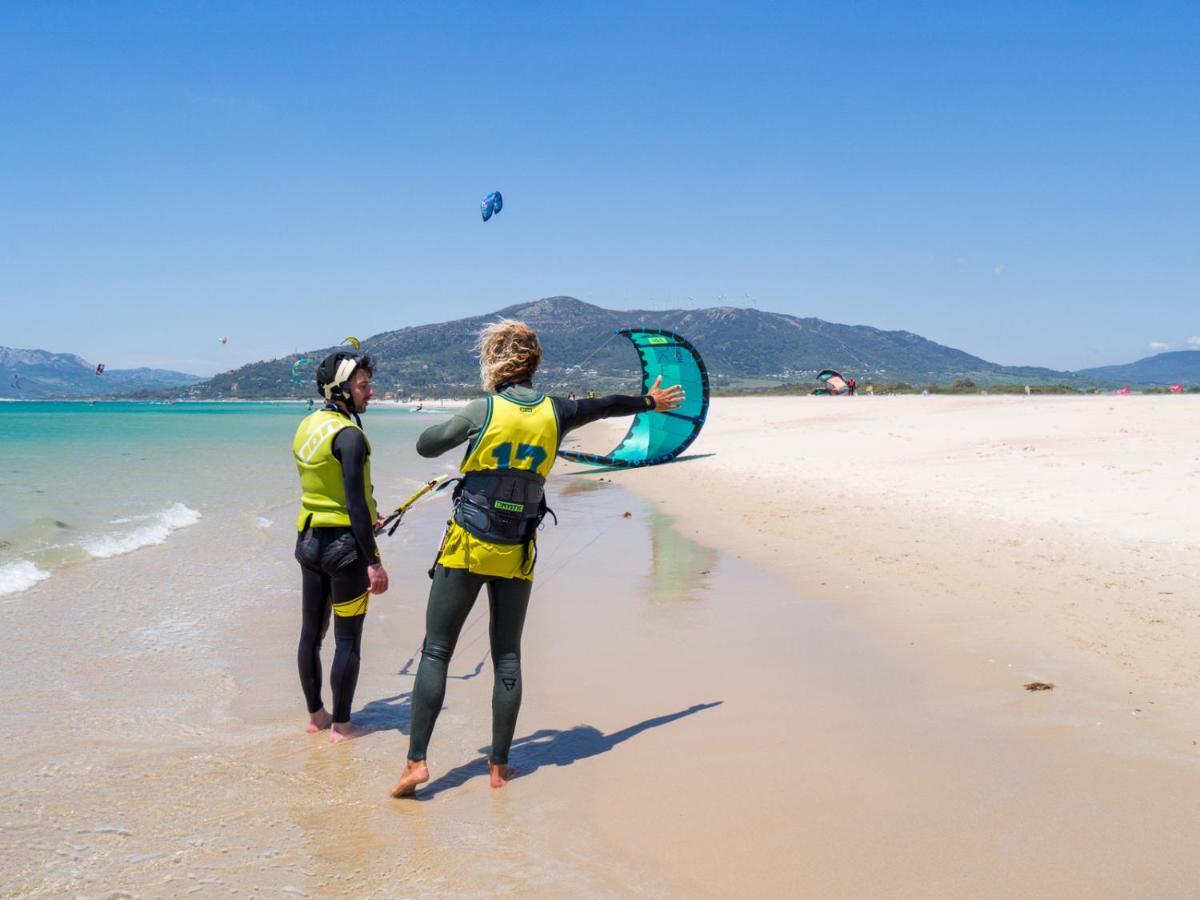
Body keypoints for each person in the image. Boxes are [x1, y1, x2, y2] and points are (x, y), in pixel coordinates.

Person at [390, 319, 684, 796]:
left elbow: (427, 446)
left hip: (467, 544)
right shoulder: (558, 411)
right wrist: (649, 401)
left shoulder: (482, 408)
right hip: (517, 548)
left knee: (437, 651)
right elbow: (604, 405)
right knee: (507, 656)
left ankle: (417, 763)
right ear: (534, 361)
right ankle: (499, 768)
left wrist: (455, 426)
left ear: (493, 359)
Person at [292, 351, 390, 742]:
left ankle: (316, 716)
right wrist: (374, 561)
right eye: (363, 385)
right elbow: (352, 503)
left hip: (309, 542)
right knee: (347, 639)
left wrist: (369, 515)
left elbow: (329, 490)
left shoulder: (306, 426)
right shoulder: (350, 436)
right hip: (345, 551)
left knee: (310, 634)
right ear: (342, 390)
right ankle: (343, 727)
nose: (371, 391)